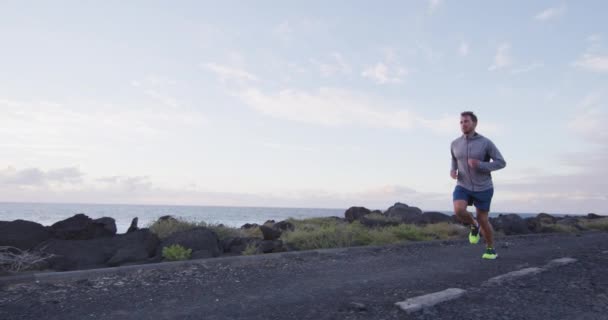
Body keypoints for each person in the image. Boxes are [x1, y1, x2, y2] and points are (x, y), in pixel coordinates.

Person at [451, 111, 506, 259]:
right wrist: (453, 169)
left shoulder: (486, 143)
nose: (463, 124)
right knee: (458, 210)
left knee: (483, 219)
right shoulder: (455, 143)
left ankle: (490, 249)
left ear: (474, 123)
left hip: (483, 187)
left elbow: (501, 163)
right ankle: (474, 226)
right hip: (463, 185)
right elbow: (454, 158)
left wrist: (480, 164)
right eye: (461, 122)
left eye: (466, 121)